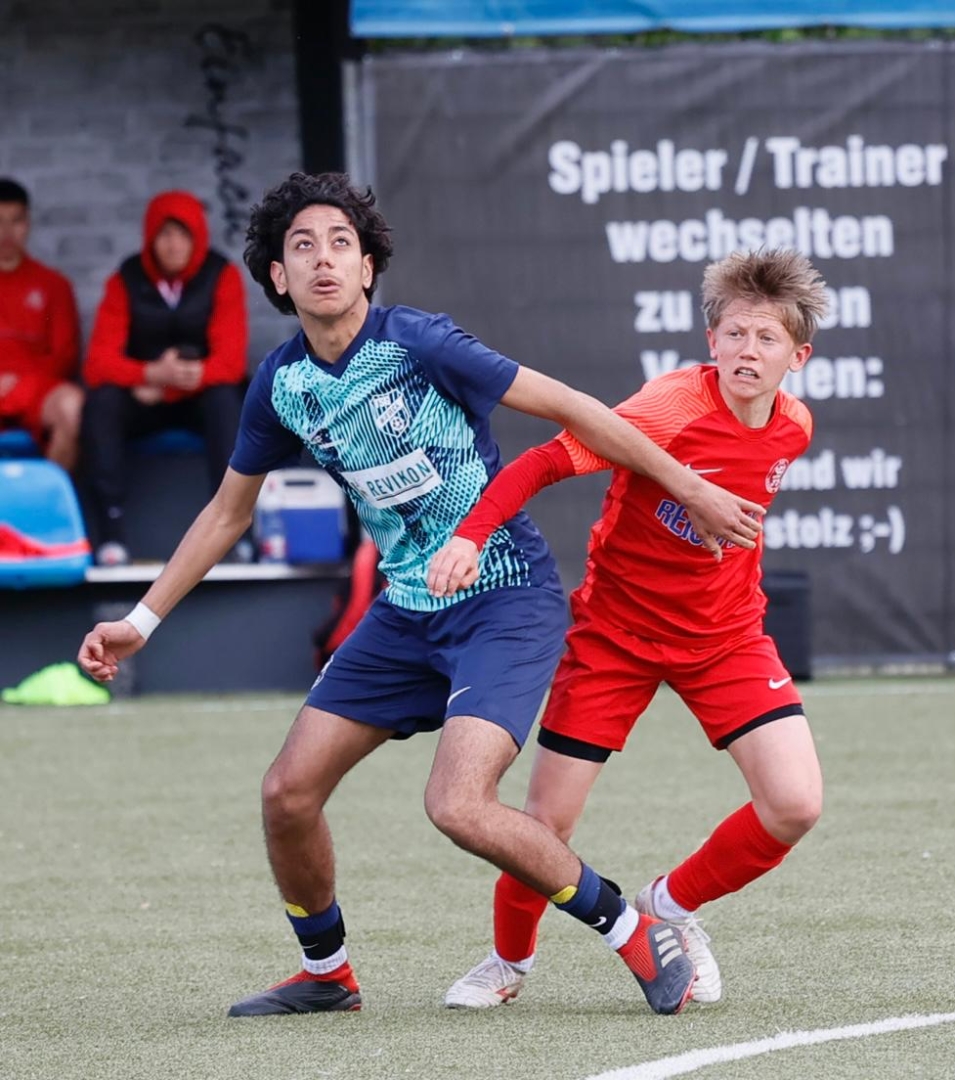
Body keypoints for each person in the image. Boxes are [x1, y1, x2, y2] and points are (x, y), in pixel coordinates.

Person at [77, 172, 765, 1019]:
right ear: (278, 278)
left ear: (367, 267)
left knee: (456, 803)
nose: (324, 259)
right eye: (303, 247)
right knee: (286, 794)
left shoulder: (420, 343)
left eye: (341, 243)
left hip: (504, 598)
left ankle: (632, 929)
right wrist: (140, 620)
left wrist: (689, 488)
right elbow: (227, 512)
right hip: (404, 613)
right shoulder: (283, 384)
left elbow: (572, 408)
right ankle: (328, 974)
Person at [433, 248, 827, 1009]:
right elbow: (542, 463)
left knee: (795, 804)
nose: (747, 351)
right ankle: (508, 961)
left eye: (766, 339)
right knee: (545, 822)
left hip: (726, 638)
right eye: (735, 334)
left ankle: (668, 907)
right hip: (614, 639)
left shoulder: (794, 427)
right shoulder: (668, 408)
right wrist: (471, 535)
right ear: (710, 340)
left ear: (797, 357)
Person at [81, 190, 249, 566]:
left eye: (183, 235)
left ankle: (236, 532)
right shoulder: (125, 279)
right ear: (150, 238)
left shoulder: (221, 275)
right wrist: (150, 374)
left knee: (227, 399)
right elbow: (98, 363)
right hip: (144, 400)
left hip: (197, 397)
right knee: (101, 403)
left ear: (198, 236)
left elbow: (231, 362)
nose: (174, 245)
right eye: (165, 235)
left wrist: (171, 384)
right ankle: (111, 532)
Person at [0, 177, 83, 472]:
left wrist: (17, 386)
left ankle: (48, 498)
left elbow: (65, 356)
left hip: (35, 389)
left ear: (28, 223)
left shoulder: (53, 284)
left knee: (72, 407)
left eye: (16, 221)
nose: (7, 232)